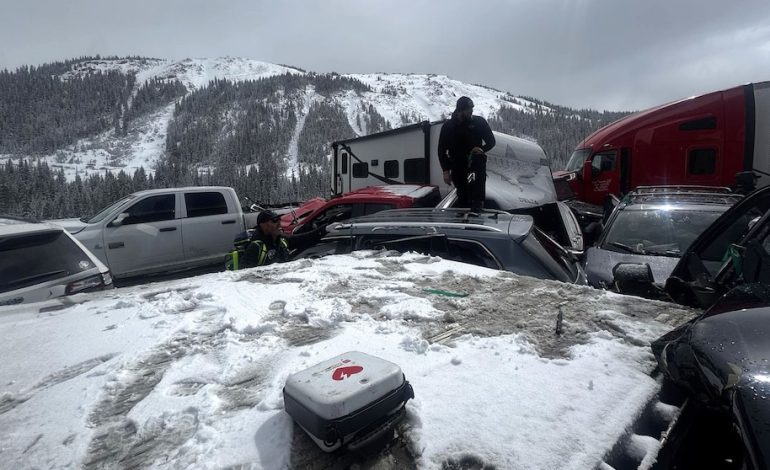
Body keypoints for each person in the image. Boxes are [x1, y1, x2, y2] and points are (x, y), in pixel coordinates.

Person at [438, 96, 496, 211]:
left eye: (472, 109)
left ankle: (478, 205)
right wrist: (445, 171)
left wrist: (481, 149)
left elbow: (491, 141)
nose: (471, 112)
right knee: (462, 196)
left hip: (475, 162)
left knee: (479, 161)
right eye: (468, 110)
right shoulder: (448, 127)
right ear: (460, 111)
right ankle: (462, 212)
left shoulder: (479, 122)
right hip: (457, 163)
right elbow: (441, 150)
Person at [226, 210, 327, 270]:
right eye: (275, 221)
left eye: (279, 220)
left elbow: (303, 238)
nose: (279, 223)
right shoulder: (256, 247)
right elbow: (243, 275)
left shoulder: (281, 240)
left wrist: (325, 229)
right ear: (263, 225)